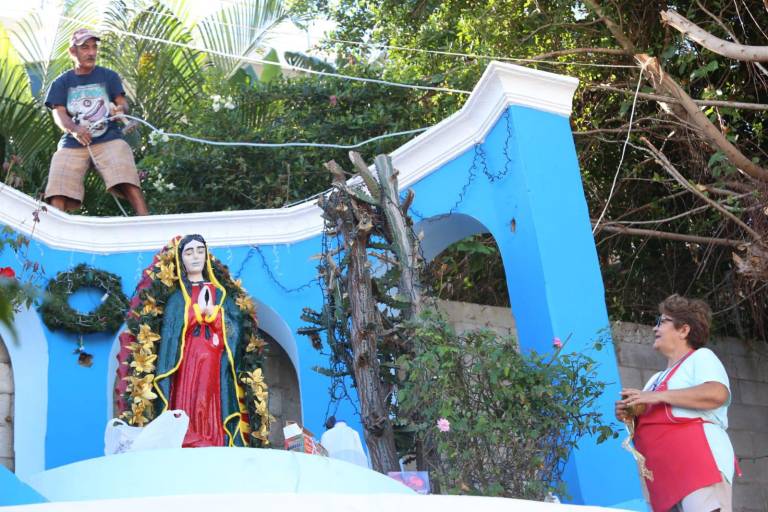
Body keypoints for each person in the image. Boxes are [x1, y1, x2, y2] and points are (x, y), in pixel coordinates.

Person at [616, 294, 736, 512]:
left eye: (662, 322)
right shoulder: (655, 379)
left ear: (684, 330)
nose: (655, 329)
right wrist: (630, 413)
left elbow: (717, 393)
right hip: (665, 477)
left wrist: (654, 397)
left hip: (698, 466)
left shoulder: (701, 357)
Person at [154, 234, 248, 446]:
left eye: (199, 251)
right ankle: (187, 436)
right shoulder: (178, 298)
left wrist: (215, 317)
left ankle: (212, 438)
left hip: (214, 357)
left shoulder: (220, 294)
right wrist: (197, 313)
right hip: (186, 358)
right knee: (187, 396)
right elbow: (171, 331)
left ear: (206, 255)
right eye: (189, 252)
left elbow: (235, 328)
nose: (195, 256)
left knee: (209, 396)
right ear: (181, 260)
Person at [44, 28, 148, 215]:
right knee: (58, 185)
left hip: (109, 138)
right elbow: (58, 114)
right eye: (85, 48)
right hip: (73, 142)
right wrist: (75, 129)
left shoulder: (109, 76)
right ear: (73, 51)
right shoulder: (61, 82)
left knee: (127, 177)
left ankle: (147, 223)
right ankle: (57, 230)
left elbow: (122, 103)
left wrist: (120, 110)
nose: (92, 52)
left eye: (94, 47)